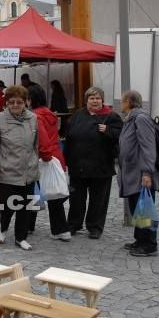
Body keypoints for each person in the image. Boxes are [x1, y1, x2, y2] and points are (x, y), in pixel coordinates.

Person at [64, 87, 123, 239]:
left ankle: (95, 227)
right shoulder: (78, 115)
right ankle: (74, 224)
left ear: (102, 100)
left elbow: (121, 136)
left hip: (101, 166)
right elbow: (68, 136)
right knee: (76, 198)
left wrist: (109, 131)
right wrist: (67, 159)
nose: (95, 101)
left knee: (98, 200)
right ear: (86, 100)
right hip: (78, 165)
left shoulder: (111, 116)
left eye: (97, 98)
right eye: (91, 98)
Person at [0, 85, 40, 250]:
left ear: (25, 102)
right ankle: (3, 229)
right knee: (8, 205)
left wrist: (35, 162)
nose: (15, 105)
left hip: (27, 171)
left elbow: (35, 144)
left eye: (19, 102)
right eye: (12, 102)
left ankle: (20, 237)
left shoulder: (33, 118)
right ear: (7, 103)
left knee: (25, 207)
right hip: (7, 170)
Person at [118, 90, 159, 256]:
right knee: (137, 206)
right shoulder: (131, 119)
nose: (120, 104)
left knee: (145, 207)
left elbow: (148, 146)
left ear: (129, 101)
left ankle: (149, 244)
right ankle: (140, 239)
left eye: (122, 101)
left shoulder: (141, 118)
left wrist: (147, 172)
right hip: (132, 172)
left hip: (141, 172)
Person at [27, 85, 70, 240]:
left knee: (31, 191)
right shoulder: (50, 114)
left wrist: (45, 157)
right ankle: (61, 229)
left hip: (43, 158)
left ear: (30, 99)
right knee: (53, 195)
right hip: (56, 157)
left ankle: (27, 226)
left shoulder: (35, 116)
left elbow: (42, 140)